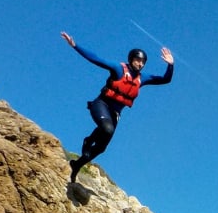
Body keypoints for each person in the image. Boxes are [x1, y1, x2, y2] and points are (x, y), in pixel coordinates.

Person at [61, 31, 174, 182]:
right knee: (107, 128)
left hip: (115, 113)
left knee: (101, 148)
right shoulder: (119, 69)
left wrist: (171, 65)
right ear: (131, 59)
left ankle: (77, 165)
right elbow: (96, 59)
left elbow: (165, 80)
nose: (140, 64)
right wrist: (75, 46)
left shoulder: (142, 79)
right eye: (137, 60)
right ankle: (88, 141)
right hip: (101, 104)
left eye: (143, 62)